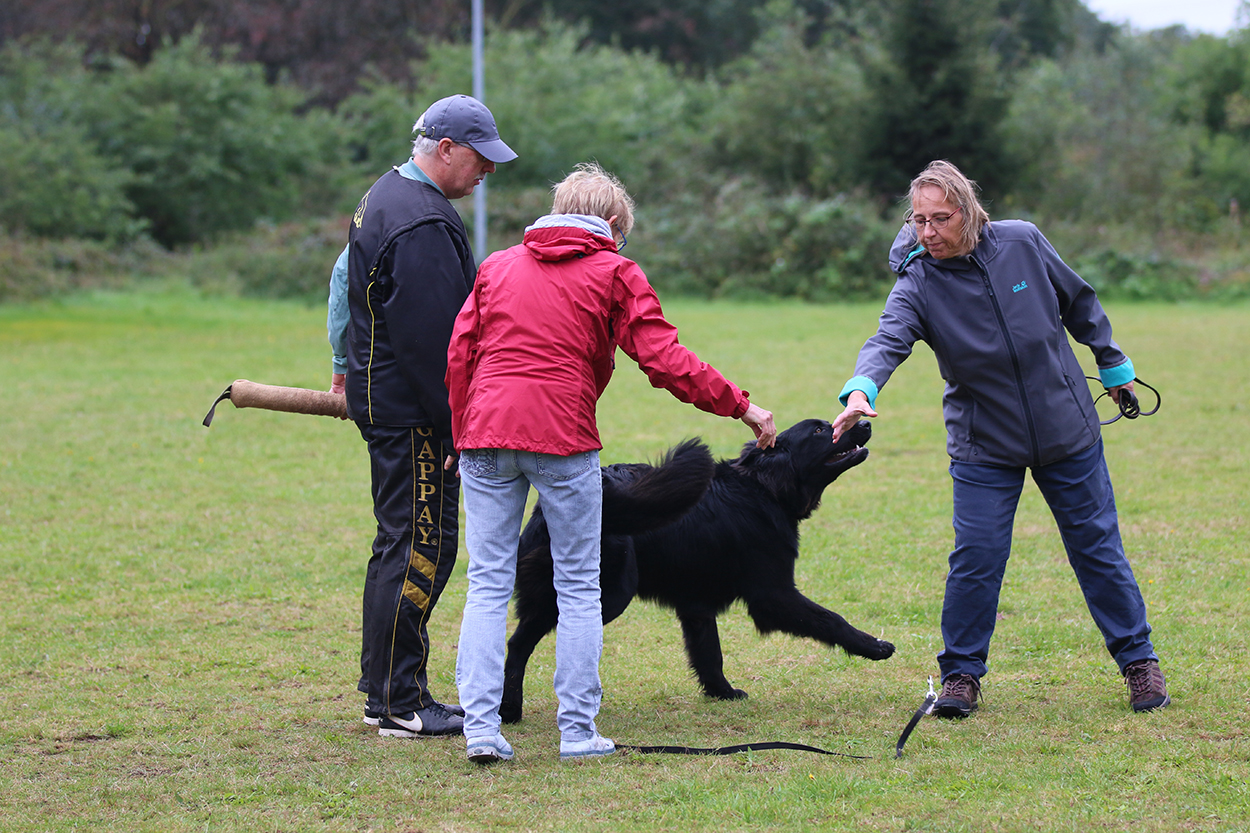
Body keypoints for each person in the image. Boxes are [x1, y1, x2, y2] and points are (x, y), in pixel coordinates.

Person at [446, 163, 778, 763]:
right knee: (578, 585)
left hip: (485, 435)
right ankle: (577, 733)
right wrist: (741, 406)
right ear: (615, 224)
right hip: (562, 436)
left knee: (487, 583)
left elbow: (461, 351)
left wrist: (460, 430)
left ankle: (481, 731)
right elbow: (665, 359)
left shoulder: (496, 266)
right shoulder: (615, 270)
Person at [830, 160, 1169, 718]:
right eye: (918, 220)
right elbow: (887, 338)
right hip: (983, 442)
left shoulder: (1022, 243)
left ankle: (1139, 661)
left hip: (1066, 428)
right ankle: (960, 675)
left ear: (968, 211)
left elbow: (1080, 303)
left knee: (1097, 549)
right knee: (977, 557)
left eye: (940, 218)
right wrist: (862, 389)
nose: (928, 231)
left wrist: (1113, 366)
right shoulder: (919, 281)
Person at [326, 95, 516, 738]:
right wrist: (459, 425)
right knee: (420, 548)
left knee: (400, 543)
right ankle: (400, 702)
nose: (488, 171)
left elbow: (343, 282)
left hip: (383, 401)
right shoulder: (423, 223)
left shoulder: (385, 194)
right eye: (480, 158)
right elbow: (435, 345)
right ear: (446, 149)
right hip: (412, 415)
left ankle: (387, 691)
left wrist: (343, 365)